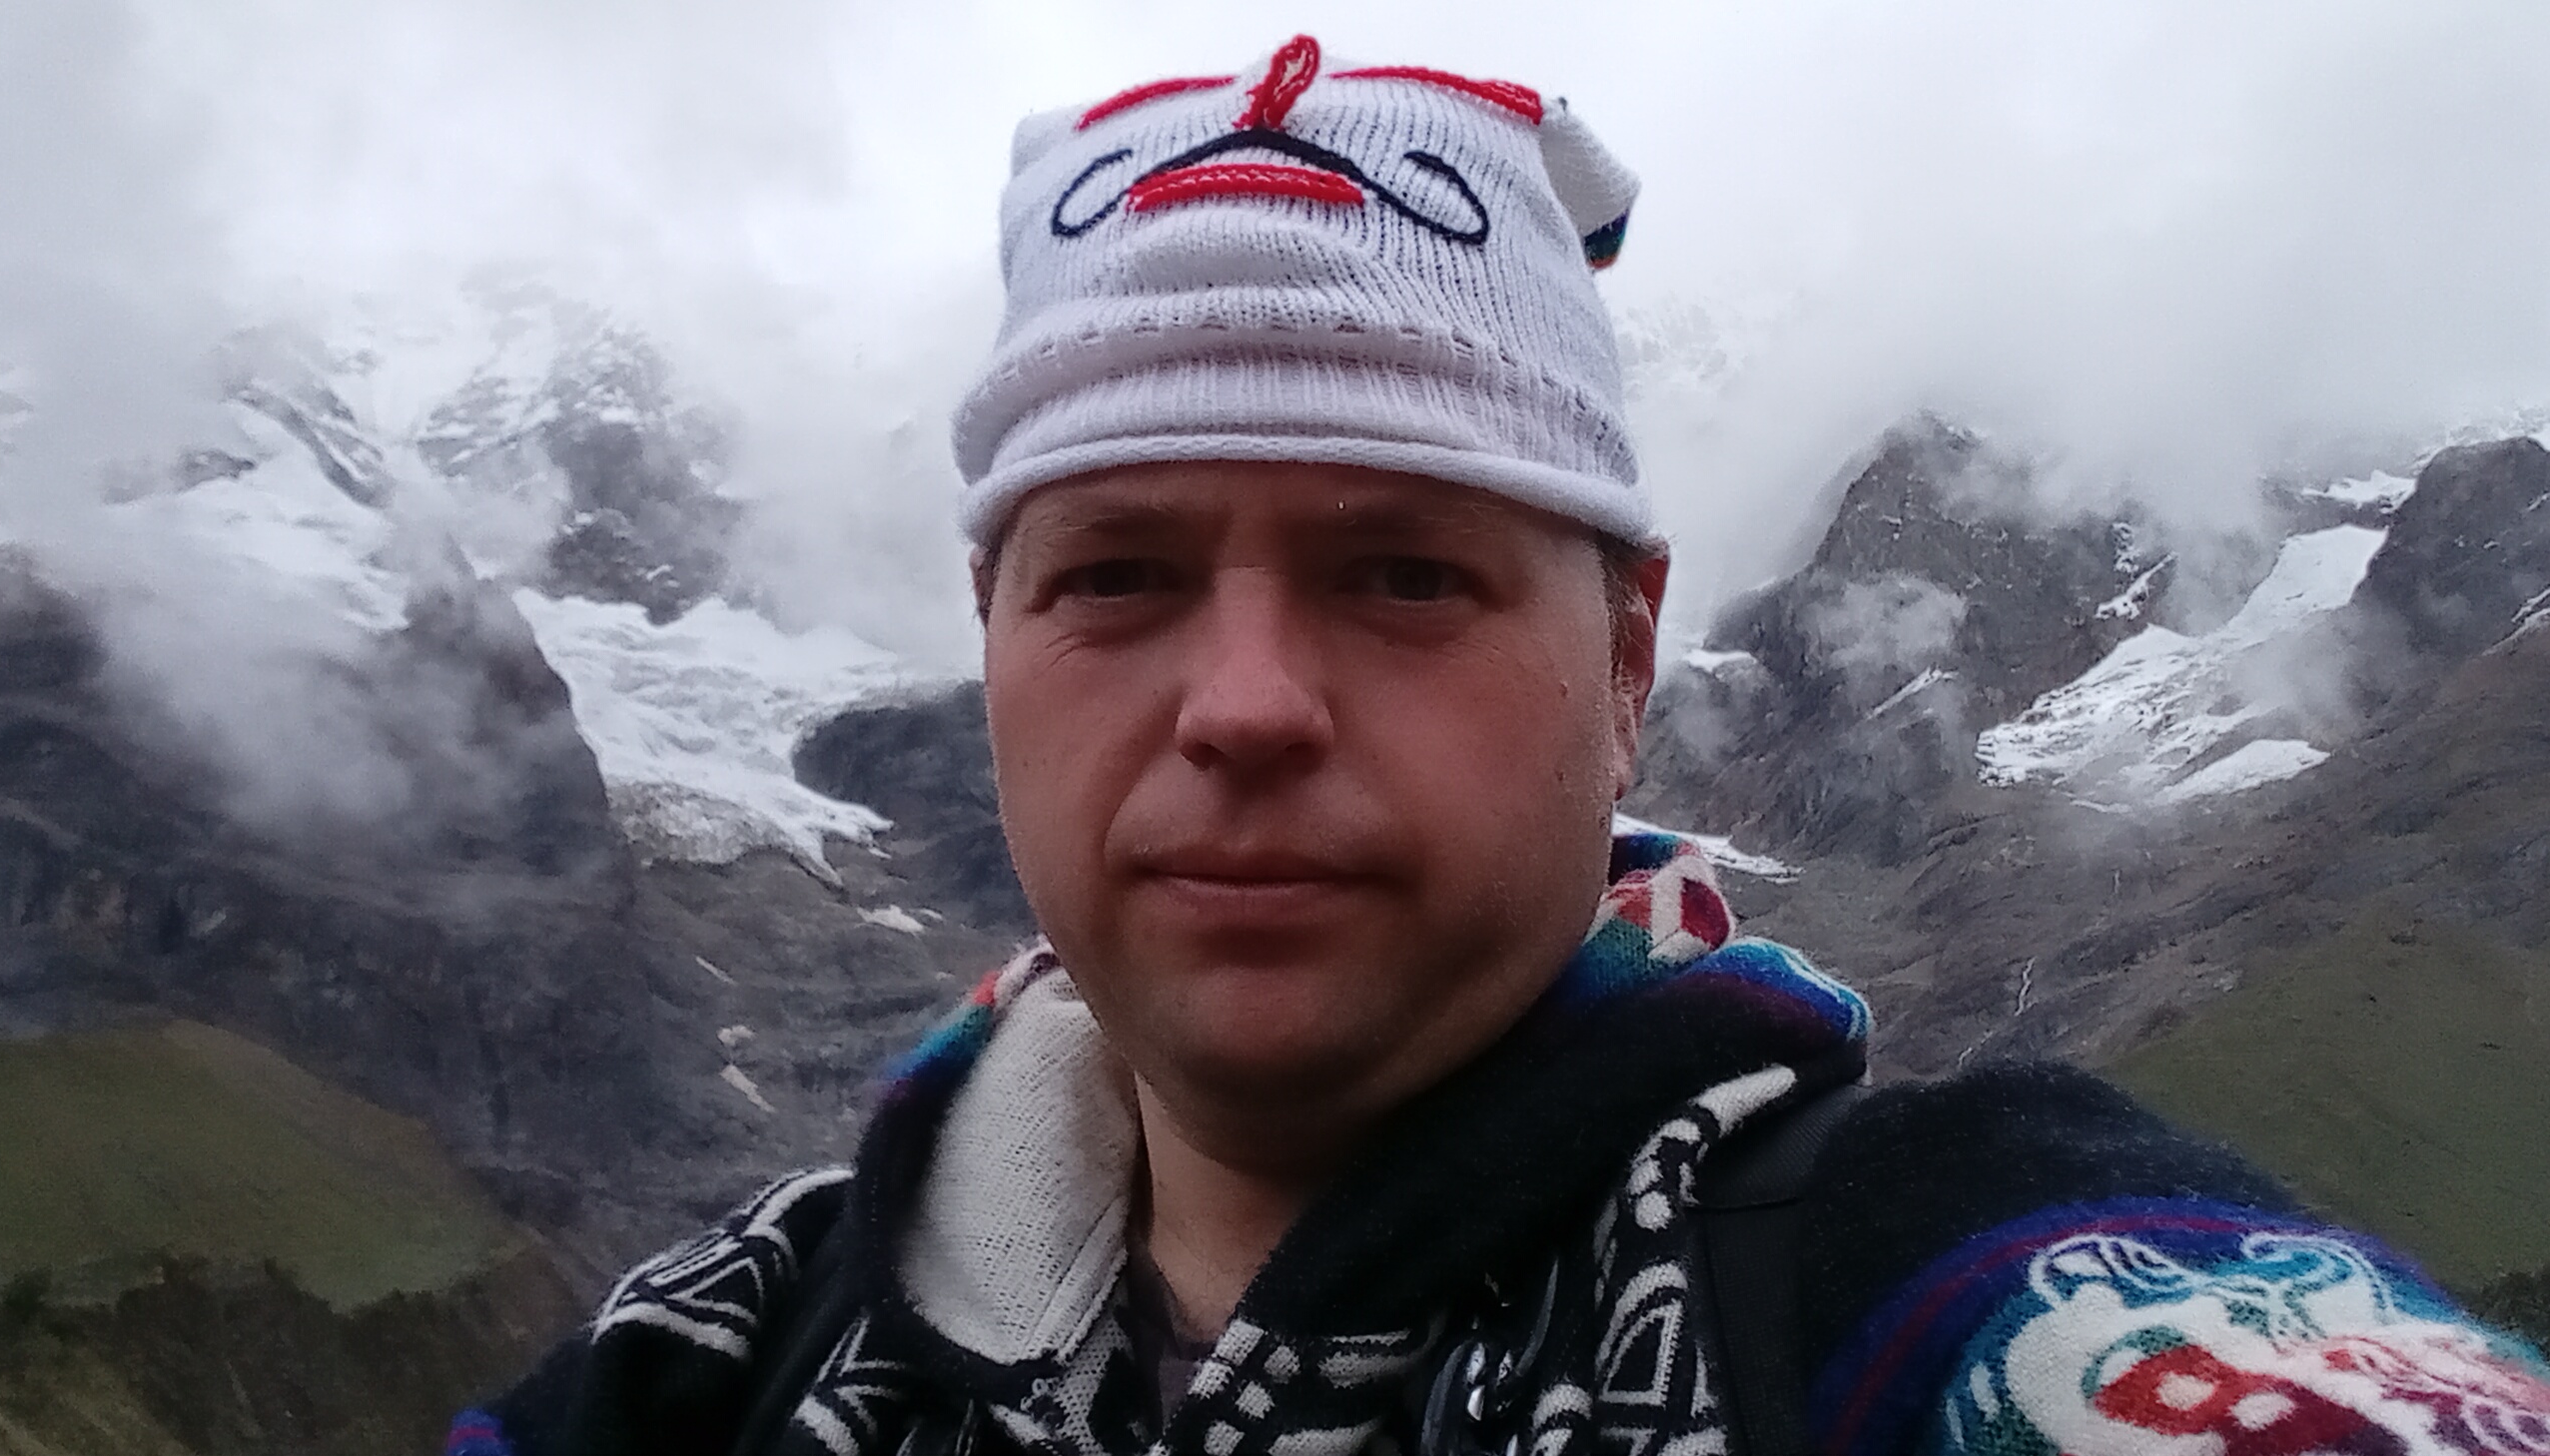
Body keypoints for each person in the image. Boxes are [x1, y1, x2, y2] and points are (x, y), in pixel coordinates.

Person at [447, 35, 2550, 1456]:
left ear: (1628, 652)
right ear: (990, 634)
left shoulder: (1944, 1278)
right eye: (1114, 575)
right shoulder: (720, 1358)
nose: (1245, 701)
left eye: (1405, 575)